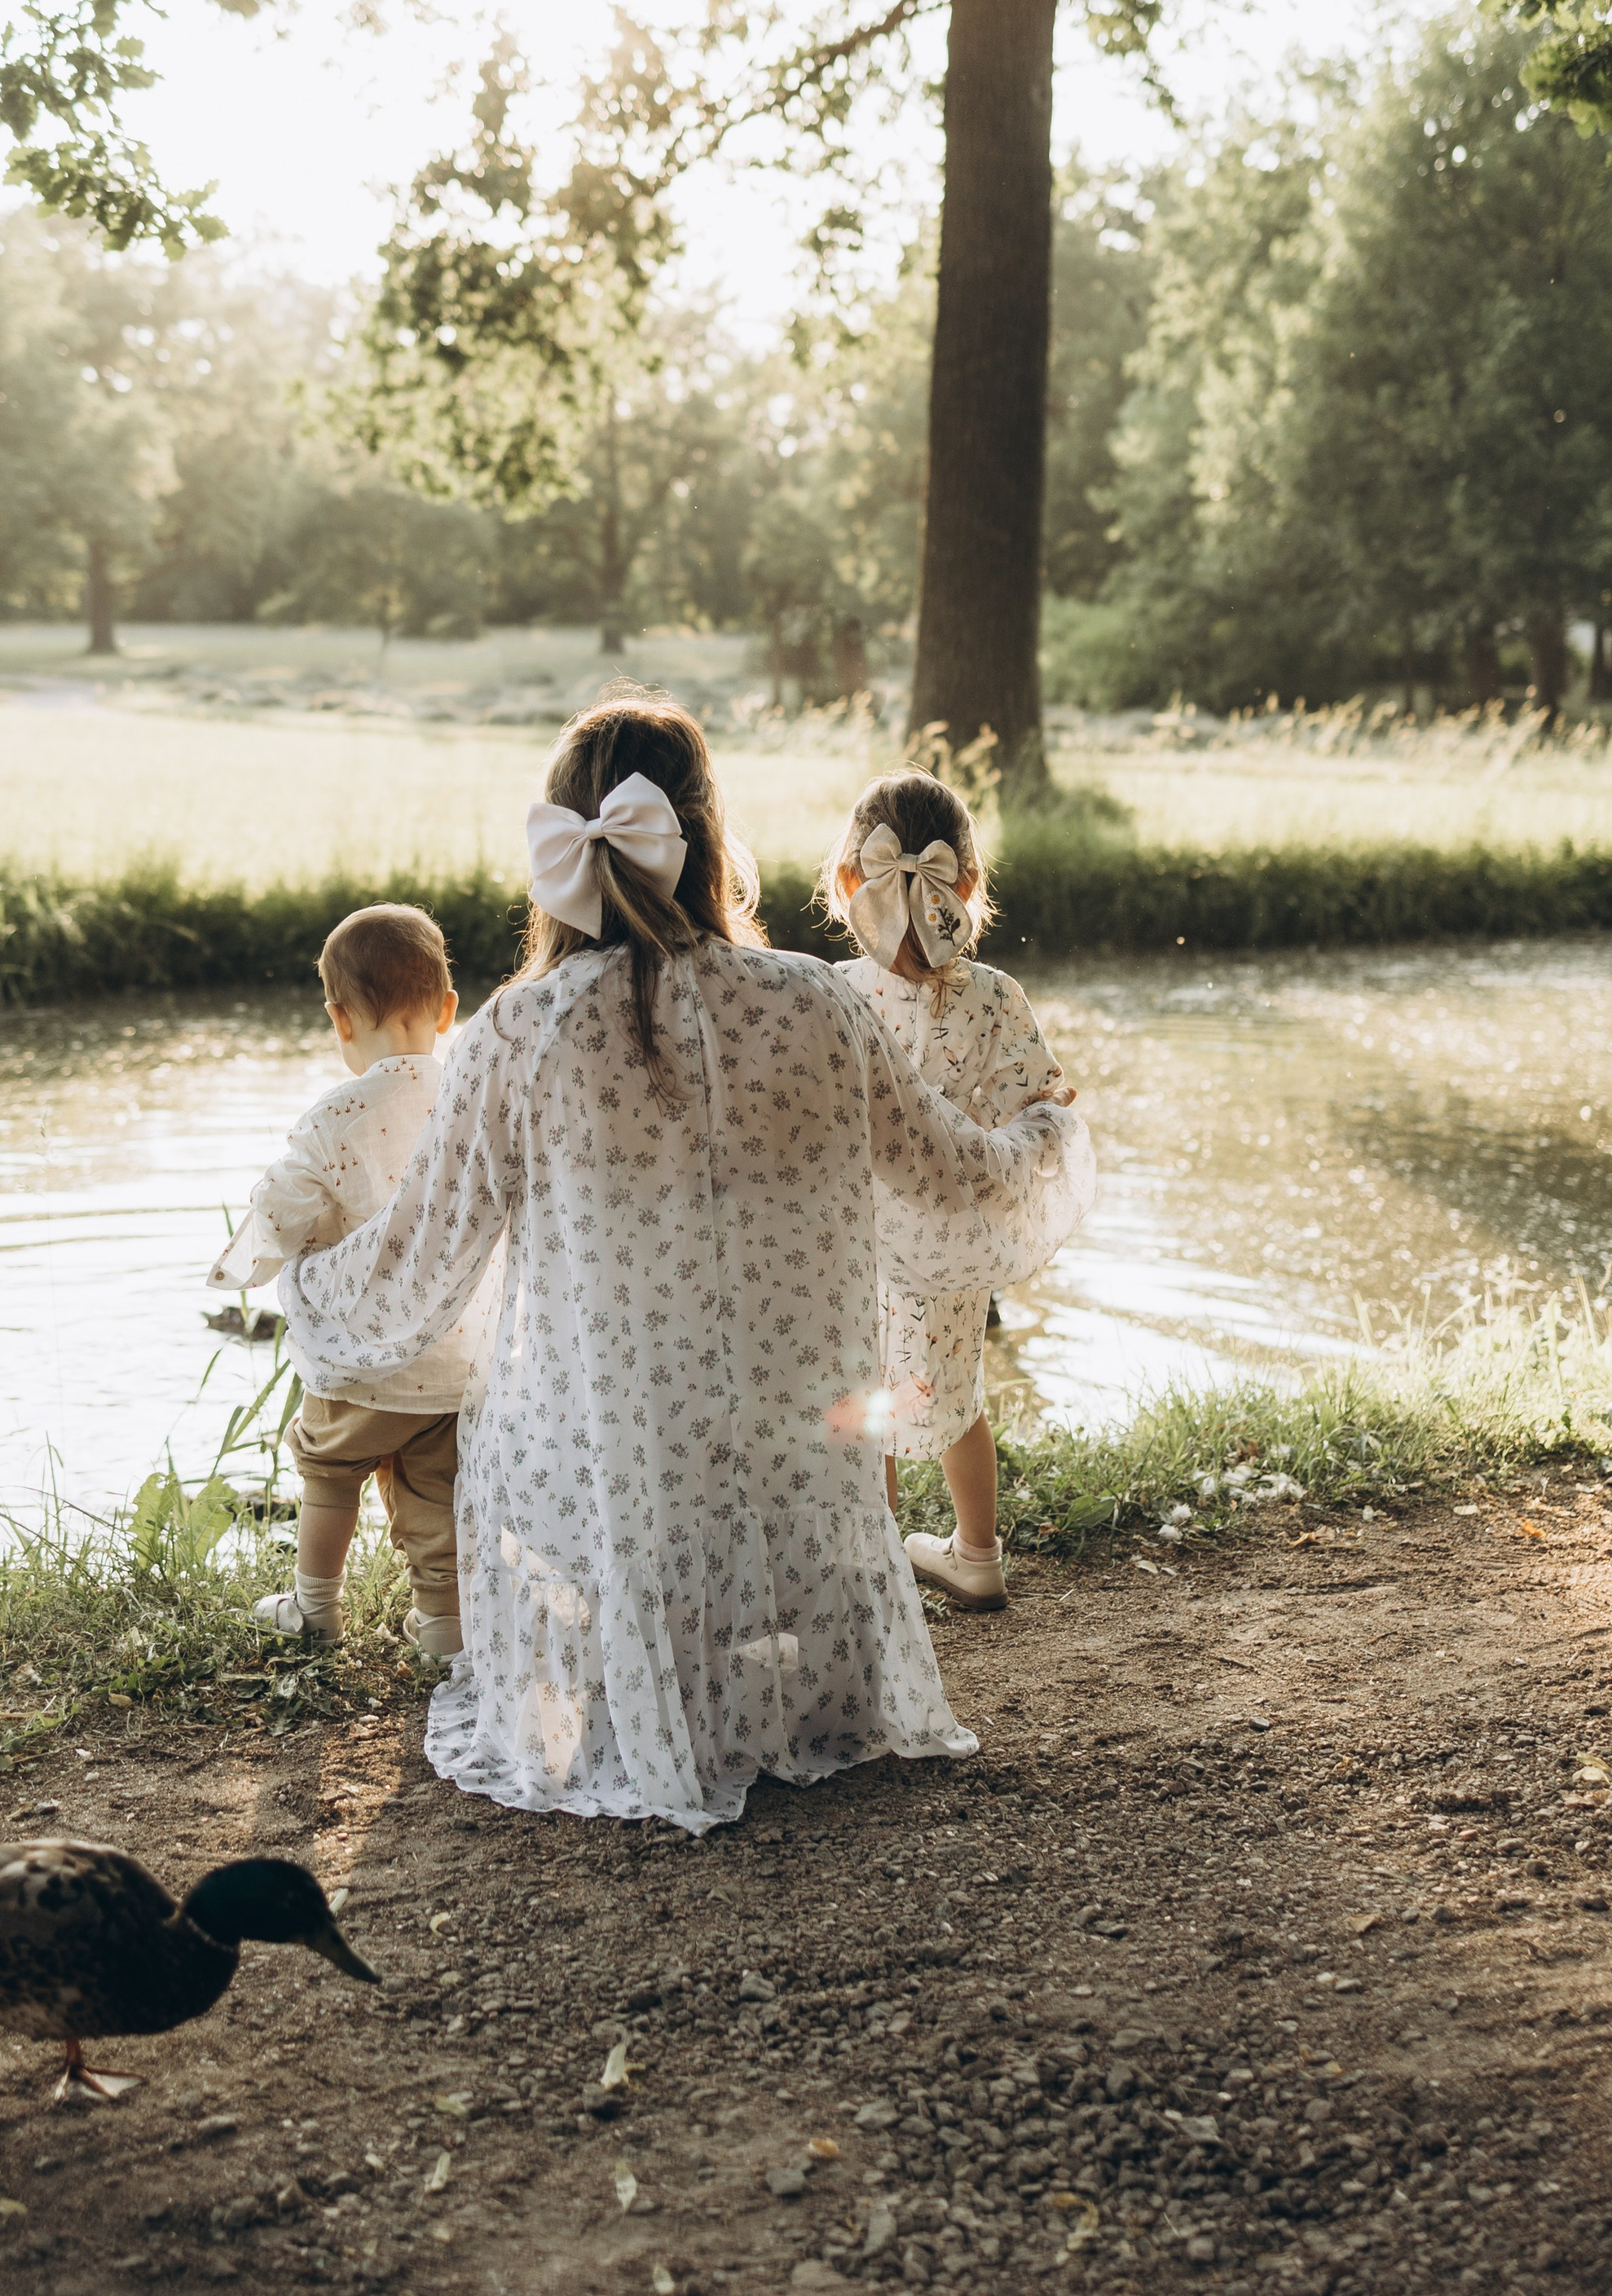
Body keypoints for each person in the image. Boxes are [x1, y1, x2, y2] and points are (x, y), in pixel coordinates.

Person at [276, 693, 1095, 1834]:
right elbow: (956, 1175)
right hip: (797, 1465)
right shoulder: (816, 1002)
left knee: (553, 1422)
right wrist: (1046, 1138)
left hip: (611, 1476)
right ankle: (800, 1674)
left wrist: (298, 1266)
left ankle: (644, 1677)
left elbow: (417, 1266)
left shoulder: (517, 1032)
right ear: (710, 837)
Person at [823, 769, 1067, 1614]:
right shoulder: (997, 994)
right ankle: (976, 1555)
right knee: (956, 1394)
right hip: (953, 1241)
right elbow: (1036, 1111)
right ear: (966, 884)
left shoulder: (835, 994)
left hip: (852, 1240)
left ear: (846, 885)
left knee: (863, 1400)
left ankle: (878, 1568)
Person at [209, 902, 482, 1656]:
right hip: (454, 1360)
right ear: (449, 1008)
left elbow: (284, 1207)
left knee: (327, 1466)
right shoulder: (469, 1098)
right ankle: (445, 1629)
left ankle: (315, 1608)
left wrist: (250, 1262)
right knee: (437, 1490)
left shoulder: (335, 1116)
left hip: (361, 1364)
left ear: (339, 1019)